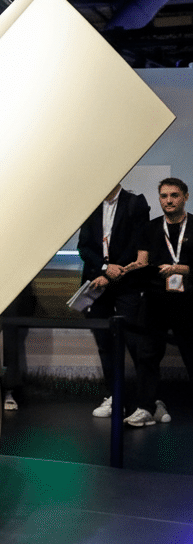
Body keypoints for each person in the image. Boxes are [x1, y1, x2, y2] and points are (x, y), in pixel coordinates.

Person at [122, 178, 193, 426]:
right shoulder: (150, 228)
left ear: (185, 196)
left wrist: (183, 268)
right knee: (147, 355)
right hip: (155, 301)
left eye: (174, 195)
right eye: (164, 196)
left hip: (188, 301)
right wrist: (135, 267)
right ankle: (145, 407)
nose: (169, 200)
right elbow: (143, 260)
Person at [77, 183, 150, 418]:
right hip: (98, 282)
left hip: (127, 282)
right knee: (104, 343)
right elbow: (84, 247)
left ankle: (146, 401)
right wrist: (105, 268)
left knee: (135, 342)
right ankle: (114, 397)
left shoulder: (134, 202)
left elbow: (138, 245)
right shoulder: (91, 205)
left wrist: (116, 271)